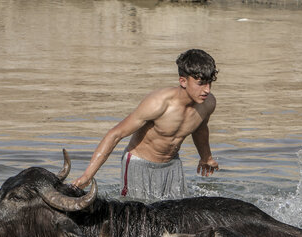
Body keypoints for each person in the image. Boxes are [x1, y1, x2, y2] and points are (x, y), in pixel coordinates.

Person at [72, 49, 220, 200]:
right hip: (139, 165)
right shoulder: (157, 104)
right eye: (200, 83)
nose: (206, 90)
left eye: (209, 83)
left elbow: (200, 128)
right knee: (136, 216)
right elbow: (115, 134)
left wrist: (206, 157)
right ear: (183, 81)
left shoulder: (208, 104)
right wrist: (87, 176)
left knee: (178, 215)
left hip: (172, 165)